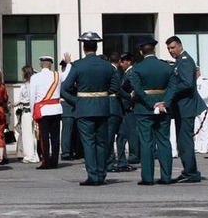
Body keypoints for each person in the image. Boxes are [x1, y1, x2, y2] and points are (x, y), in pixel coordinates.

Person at [59, 32, 120, 186]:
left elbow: (65, 88)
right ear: (96, 46)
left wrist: (76, 101)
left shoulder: (78, 65)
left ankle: (93, 176)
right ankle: (101, 175)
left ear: (84, 47)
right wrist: (101, 95)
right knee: (102, 143)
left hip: (84, 108)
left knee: (88, 143)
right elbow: (115, 87)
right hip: (102, 108)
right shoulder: (107, 66)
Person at [160, 35, 208, 183]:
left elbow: (186, 83)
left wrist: (169, 93)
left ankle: (191, 172)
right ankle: (188, 170)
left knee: (185, 141)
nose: (171, 51)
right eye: (168, 48)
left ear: (180, 46)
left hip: (186, 106)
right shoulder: (179, 61)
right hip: (182, 107)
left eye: (173, 47)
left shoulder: (185, 61)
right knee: (182, 141)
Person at [130, 41, 176, 185]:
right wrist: (164, 102)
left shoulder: (137, 68)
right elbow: (173, 87)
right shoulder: (166, 67)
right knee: (164, 141)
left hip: (144, 109)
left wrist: (151, 104)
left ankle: (148, 177)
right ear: (154, 50)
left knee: (146, 142)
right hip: (163, 108)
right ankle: (166, 176)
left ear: (141, 52)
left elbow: (137, 89)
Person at [27, 55, 62, 169]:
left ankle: (46, 161)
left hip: (43, 110)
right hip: (56, 109)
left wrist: (33, 112)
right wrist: (69, 64)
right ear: (50, 64)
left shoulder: (35, 77)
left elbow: (32, 96)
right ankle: (55, 162)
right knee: (55, 137)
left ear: (41, 64)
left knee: (44, 137)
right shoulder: (57, 75)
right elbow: (67, 74)